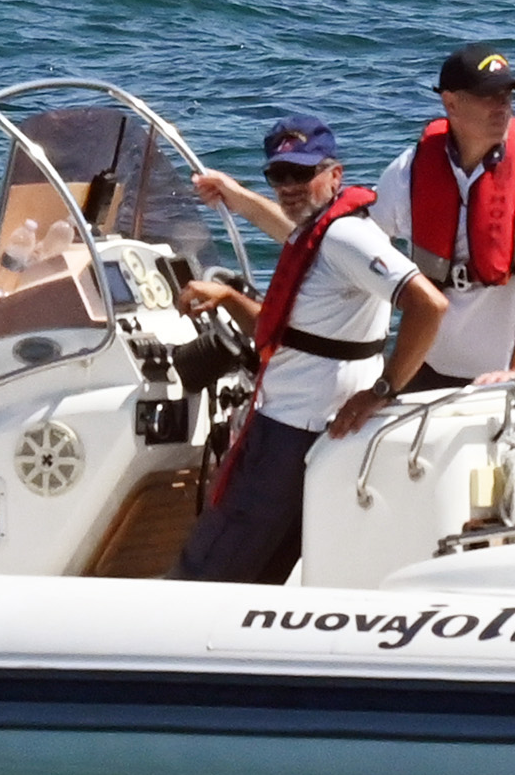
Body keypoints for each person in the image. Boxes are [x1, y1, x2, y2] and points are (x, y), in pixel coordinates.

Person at [167, 115, 448, 586]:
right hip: (305, 426)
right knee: (269, 562)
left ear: (334, 175)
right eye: (279, 175)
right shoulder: (323, 231)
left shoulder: (346, 238)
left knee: (212, 565)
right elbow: (298, 312)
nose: (290, 186)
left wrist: (384, 389)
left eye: (303, 173)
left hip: (292, 431)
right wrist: (232, 289)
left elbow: (429, 305)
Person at [330, 44, 515, 436]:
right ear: (451, 103)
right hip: (429, 372)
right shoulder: (409, 171)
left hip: (511, 378)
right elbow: (352, 250)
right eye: (487, 95)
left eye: (507, 95)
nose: (501, 105)